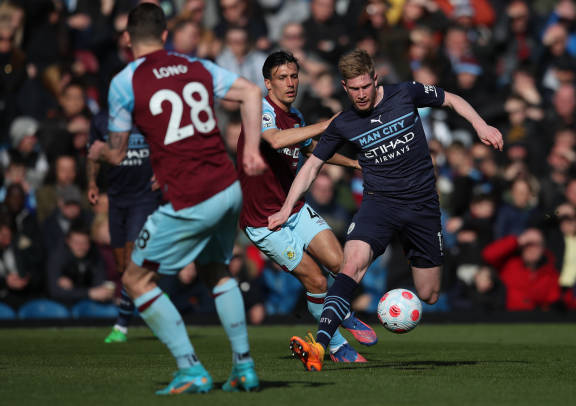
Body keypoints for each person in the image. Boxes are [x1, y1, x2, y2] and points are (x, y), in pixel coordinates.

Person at [268, 49, 503, 371]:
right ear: (344, 87)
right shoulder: (344, 122)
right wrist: (284, 209)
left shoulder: (405, 93)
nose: (361, 94)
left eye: (365, 86)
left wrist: (481, 125)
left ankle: (397, 301)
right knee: (351, 264)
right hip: (379, 204)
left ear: (375, 79)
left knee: (429, 293)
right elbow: (311, 168)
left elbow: (451, 99)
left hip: (422, 207)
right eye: (354, 89)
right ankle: (320, 347)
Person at [87, 3, 265, 394]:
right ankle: (244, 367)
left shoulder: (125, 81)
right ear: (165, 35)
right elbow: (253, 92)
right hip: (228, 186)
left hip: (190, 196)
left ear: (128, 39)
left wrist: (97, 151)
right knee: (215, 269)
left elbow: (116, 154)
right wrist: (250, 150)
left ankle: (190, 368)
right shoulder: (196, 66)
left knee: (136, 279)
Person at [237, 51, 377, 364]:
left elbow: (312, 148)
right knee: (317, 281)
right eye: (282, 77)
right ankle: (339, 346)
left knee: (341, 264)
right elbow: (274, 140)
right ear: (267, 83)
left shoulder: (296, 117)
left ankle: (343, 313)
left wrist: (355, 163)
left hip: (294, 208)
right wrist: (329, 123)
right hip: (264, 221)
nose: (290, 83)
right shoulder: (259, 109)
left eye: (294, 76)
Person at [87, 110, 160, 344]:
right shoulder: (100, 120)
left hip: (144, 198)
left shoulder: (150, 115)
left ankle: (121, 325)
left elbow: (168, 145)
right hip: (116, 199)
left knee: (131, 263)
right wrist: (91, 183)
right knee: (122, 267)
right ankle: (156, 299)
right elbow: (93, 154)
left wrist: (163, 172)